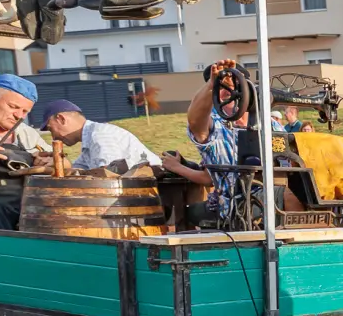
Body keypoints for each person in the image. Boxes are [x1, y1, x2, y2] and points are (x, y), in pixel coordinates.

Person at [171, 59, 248, 226]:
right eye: (222, 86)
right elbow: (195, 121)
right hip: (238, 210)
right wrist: (212, 86)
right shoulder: (215, 125)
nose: (229, 89)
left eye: (234, 83)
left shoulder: (270, 123)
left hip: (271, 198)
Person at [0, 74, 49, 230]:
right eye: (13, 107)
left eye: (25, 111)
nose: (19, 116)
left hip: (26, 209)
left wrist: (51, 162)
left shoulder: (25, 133)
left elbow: (62, 161)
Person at [41, 100, 161, 172]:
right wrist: (57, 162)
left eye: (51, 130)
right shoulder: (89, 141)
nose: (54, 137)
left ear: (61, 119)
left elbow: (109, 175)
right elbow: (77, 170)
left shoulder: (99, 135)